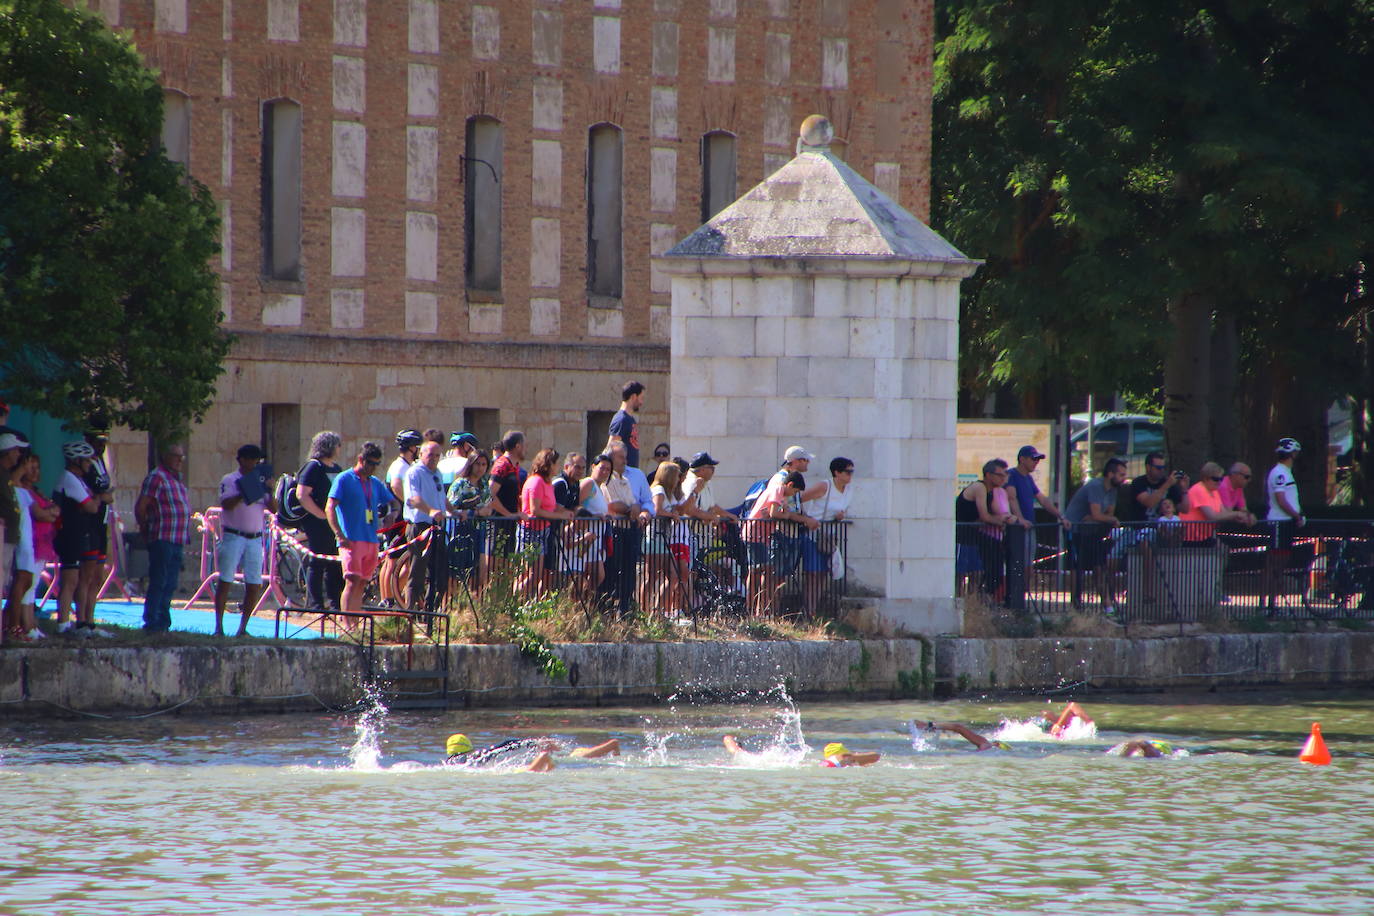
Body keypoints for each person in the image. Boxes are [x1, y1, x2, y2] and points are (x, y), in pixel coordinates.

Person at [213, 444, 277, 637]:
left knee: (254, 583)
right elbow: (226, 504)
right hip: (234, 535)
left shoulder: (261, 480)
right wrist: (245, 491)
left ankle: (243, 628)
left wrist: (269, 490)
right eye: (250, 459)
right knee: (225, 579)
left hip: (255, 538)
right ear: (241, 459)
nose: (253, 463)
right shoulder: (230, 479)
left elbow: (274, 508)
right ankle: (219, 627)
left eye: (256, 460)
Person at [326, 442, 398, 612]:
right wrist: (339, 535)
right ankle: (346, 623)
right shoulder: (344, 479)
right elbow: (330, 507)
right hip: (351, 539)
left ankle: (355, 622)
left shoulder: (374, 482)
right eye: (370, 463)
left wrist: (393, 513)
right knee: (352, 581)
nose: (373, 468)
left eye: (377, 464)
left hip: (371, 540)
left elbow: (394, 502)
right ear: (360, 459)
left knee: (362, 583)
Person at [1003, 445, 1069, 611]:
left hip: (1029, 528)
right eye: (1033, 459)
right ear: (1022, 459)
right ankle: (1013, 601)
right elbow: (1011, 498)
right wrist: (1020, 519)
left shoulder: (1028, 478)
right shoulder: (1012, 475)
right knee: (1017, 565)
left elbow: (1043, 500)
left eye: (1038, 459)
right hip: (1017, 529)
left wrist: (1060, 516)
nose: (1036, 462)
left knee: (1028, 566)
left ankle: (1022, 600)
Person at [135, 444, 190, 633]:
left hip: (177, 538)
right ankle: (152, 620)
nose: (179, 461)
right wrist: (145, 529)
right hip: (161, 536)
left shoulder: (177, 479)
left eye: (181, 457)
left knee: (170, 582)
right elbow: (141, 506)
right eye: (175, 456)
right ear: (165, 456)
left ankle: (164, 621)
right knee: (159, 580)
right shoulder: (156, 477)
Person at [744, 470, 815, 615]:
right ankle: (750, 609)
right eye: (794, 491)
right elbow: (774, 513)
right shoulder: (777, 489)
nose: (793, 495)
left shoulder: (781, 495)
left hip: (763, 534)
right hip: (755, 532)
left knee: (767, 570)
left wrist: (784, 512)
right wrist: (786, 514)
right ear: (789, 484)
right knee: (757, 570)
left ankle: (761, 609)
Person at [1064, 457, 1128, 615]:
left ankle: (1106, 604)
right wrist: (1101, 518)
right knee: (1076, 567)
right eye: (1121, 474)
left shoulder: (1113, 490)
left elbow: (1105, 514)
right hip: (1076, 530)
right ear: (1110, 474)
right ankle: (1075, 605)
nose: (1123, 478)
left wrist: (1098, 517)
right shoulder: (1096, 486)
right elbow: (1100, 514)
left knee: (1099, 567)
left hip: (1093, 532)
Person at [955, 459, 1027, 599]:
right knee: (960, 572)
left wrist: (1007, 518)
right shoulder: (979, 488)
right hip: (961, 536)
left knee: (979, 571)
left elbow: (994, 512)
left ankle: (976, 601)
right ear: (988, 475)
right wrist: (1001, 521)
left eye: (1005, 475)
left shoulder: (993, 491)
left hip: (974, 536)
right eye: (999, 475)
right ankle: (960, 601)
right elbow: (985, 516)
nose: (1003, 478)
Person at [296, 431, 345, 610]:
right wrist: (320, 514)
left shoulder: (336, 468)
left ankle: (334, 602)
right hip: (316, 522)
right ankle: (315, 603)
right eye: (338, 445)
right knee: (317, 563)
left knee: (334, 562)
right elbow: (302, 494)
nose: (340, 449)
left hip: (333, 522)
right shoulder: (313, 467)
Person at [800, 456, 855, 613]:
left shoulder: (849, 490)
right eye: (847, 472)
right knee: (813, 573)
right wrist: (805, 518)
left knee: (823, 574)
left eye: (852, 472)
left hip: (828, 537)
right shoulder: (824, 486)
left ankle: (813, 610)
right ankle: (807, 610)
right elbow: (798, 499)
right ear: (837, 472)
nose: (850, 475)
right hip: (813, 534)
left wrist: (840, 516)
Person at [402, 440, 451, 611]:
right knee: (417, 574)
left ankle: (430, 612)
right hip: (420, 526)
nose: (434, 458)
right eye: (430, 454)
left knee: (440, 574)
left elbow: (442, 498)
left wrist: (454, 511)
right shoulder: (414, 473)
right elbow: (413, 499)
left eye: (437, 455)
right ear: (421, 454)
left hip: (437, 527)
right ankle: (410, 613)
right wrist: (431, 511)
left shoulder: (437, 473)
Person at [518, 448, 574, 596]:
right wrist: (559, 516)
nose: (558, 467)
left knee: (535, 574)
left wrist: (564, 512)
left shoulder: (547, 483)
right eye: (556, 463)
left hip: (542, 530)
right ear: (548, 464)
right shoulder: (536, 481)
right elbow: (535, 510)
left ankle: (523, 604)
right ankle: (514, 601)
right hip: (531, 531)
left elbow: (550, 506)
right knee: (532, 574)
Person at [1263, 437, 1305, 609]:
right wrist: (1296, 515)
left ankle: (1272, 603)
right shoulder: (1280, 473)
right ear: (1292, 454)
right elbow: (1281, 500)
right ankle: (1268, 605)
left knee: (1280, 564)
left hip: (1285, 522)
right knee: (1274, 564)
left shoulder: (1285, 472)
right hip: (1280, 522)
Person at [646, 460, 691, 615]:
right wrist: (672, 514)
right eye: (677, 475)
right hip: (655, 536)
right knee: (652, 576)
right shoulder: (658, 489)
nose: (679, 479)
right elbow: (656, 510)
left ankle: (658, 610)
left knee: (672, 575)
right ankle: (645, 609)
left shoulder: (668, 492)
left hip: (664, 537)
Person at [444, 733, 621, 772]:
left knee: (571, 758)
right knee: (572, 755)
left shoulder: (452, 762)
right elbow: (503, 746)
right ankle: (611, 748)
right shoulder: (474, 757)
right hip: (543, 754)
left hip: (544, 758)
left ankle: (611, 746)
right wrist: (532, 742)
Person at [448, 451, 493, 589]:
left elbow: (489, 507)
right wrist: (477, 512)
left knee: (477, 569)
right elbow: (451, 508)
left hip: (479, 530)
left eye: (484, 464)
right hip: (460, 531)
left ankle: (472, 602)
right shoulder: (460, 484)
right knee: (456, 568)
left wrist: (482, 512)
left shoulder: (485, 485)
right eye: (477, 464)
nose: (480, 468)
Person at [1180, 461, 1251, 544]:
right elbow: (1212, 516)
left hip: (1205, 537)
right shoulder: (1199, 490)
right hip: (1191, 539)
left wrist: (1241, 518)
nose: (1219, 482)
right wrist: (1236, 514)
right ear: (1206, 478)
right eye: (1215, 479)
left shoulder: (1214, 491)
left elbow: (1224, 513)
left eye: (1221, 479)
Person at [487, 430, 528, 573]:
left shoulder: (514, 466)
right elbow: (490, 494)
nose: (526, 449)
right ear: (518, 446)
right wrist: (507, 514)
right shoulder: (502, 465)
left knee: (506, 569)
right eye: (524, 445)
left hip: (509, 525)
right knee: (496, 568)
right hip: (499, 524)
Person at [722, 735, 880, 767]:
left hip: (769, 764)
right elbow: (875, 756)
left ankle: (729, 739)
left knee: (738, 753)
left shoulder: (828, 762)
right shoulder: (840, 758)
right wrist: (858, 758)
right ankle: (729, 740)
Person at [608, 380, 645, 470]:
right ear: (633, 397)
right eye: (641, 398)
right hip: (623, 472)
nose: (642, 402)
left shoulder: (630, 419)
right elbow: (610, 448)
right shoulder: (621, 419)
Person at [915, 721, 1012, 752]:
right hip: (981, 747)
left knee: (958, 727)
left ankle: (929, 726)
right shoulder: (986, 743)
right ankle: (930, 726)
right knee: (958, 727)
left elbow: (958, 728)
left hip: (982, 747)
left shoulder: (986, 744)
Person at [386, 428, 423, 502]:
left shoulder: (406, 465)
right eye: (419, 447)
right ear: (412, 448)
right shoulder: (400, 466)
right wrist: (411, 505)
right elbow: (395, 486)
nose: (421, 450)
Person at [1218, 462, 1257, 526]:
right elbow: (1228, 512)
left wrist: (1249, 516)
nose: (1249, 480)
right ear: (1235, 475)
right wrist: (1244, 516)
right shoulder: (1223, 486)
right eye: (1247, 477)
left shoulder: (1239, 488)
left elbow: (1243, 509)